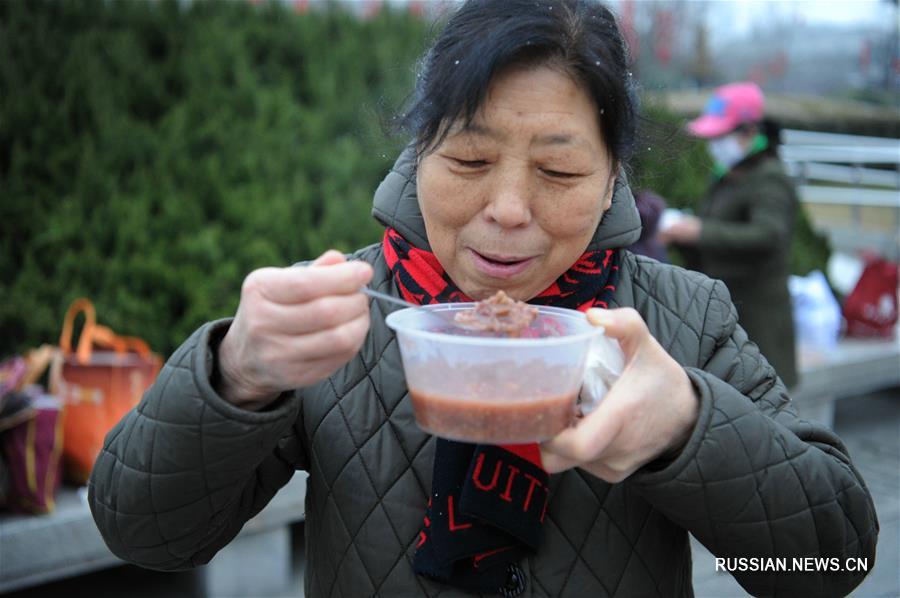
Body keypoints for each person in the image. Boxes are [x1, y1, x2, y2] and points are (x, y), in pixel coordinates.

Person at [88, 2, 877, 597]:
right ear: (418, 149)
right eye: (468, 159)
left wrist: (690, 430)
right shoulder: (339, 318)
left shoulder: (681, 319)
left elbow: (829, 560)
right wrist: (235, 374)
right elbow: (146, 532)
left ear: (613, 177)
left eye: (559, 173)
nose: (507, 209)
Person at [659, 82, 800, 388]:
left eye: (721, 136)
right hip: (730, 308)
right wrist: (684, 236)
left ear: (749, 132)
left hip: (759, 317)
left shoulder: (769, 178)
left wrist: (698, 232)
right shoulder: (730, 173)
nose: (714, 145)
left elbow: (768, 235)